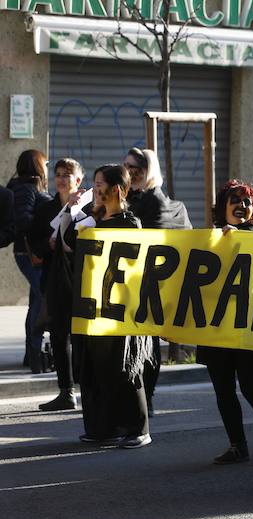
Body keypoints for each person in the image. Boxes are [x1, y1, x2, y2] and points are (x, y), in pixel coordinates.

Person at [196, 180, 253, 466]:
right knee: (223, 390)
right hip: (217, 328)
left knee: (252, 388)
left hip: (248, 329)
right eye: (234, 200)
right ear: (222, 208)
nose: (241, 206)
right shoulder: (210, 240)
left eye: (246, 201)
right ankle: (238, 446)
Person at [77, 165, 155, 449]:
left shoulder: (130, 223)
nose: (95, 189)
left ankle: (139, 427)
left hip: (122, 307)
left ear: (117, 189)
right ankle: (105, 426)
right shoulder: (90, 220)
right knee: (99, 367)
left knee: (126, 365)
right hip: (95, 307)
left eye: (100, 184)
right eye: (94, 183)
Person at [123, 147, 192, 417]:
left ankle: (145, 397)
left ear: (147, 171)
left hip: (149, 283)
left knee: (148, 343)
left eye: (136, 168)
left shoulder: (153, 201)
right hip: (132, 282)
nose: (130, 172)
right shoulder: (133, 197)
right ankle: (139, 398)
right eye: (126, 166)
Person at [28, 158, 86, 411]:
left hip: (84, 279)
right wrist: (48, 246)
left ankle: (91, 389)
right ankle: (66, 391)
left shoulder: (88, 208)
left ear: (79, 180)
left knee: (83, 337)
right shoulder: (45, 209)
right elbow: (35, 249)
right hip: (55, 281)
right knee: (60, 336)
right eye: (58, 174)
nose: (62, 179)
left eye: (67, 174)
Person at [8, 149, 53, 374]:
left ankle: (31, 353)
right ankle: (36, 353)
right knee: (43, 299)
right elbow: (23, 219)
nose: (48, 167)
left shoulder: (27, 186)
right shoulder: (26, 188)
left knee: (36, 301)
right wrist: (48, 221)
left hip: (32, 252)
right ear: (37, 165)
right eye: (45, 163)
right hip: (29, 253)